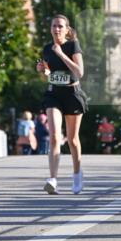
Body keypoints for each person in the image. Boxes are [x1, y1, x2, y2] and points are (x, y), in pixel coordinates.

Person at [37, 14, 86, 193]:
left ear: (67, 29)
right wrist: (43, 70)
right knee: (56, 136)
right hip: (54, 94)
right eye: (54, 26)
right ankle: (53, 179)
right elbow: (50, 73)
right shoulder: (47, 48)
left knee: (72, 140)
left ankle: (77, 174)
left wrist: (61, 54)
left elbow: (79, 72)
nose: (57, 29)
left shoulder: (73, 45)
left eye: (60, 26)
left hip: (72, 94)